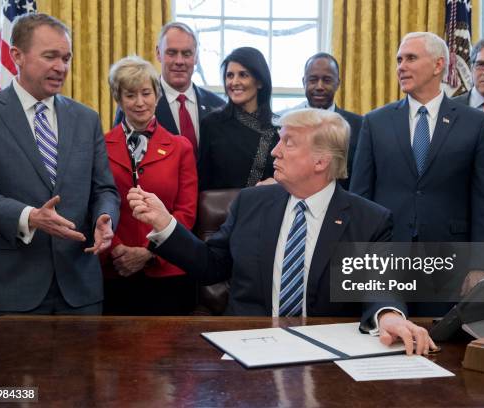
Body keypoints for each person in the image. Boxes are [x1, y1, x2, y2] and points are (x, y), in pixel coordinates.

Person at [129, 108, 438, 355]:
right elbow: (211, 266)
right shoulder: (249, 203)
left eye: (288, 142)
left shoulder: (369, 220)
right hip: (247, 346)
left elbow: (379, 286)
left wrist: (389, 316)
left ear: (321, 161)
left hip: (327, 353)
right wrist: (165, 224)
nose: (275, 151)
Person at [0, 13, 120, 315]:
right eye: (50, 56)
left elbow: (105, 189)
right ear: (17, 56)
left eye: (66, 58)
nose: (61, 67)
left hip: (81, 289)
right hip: (9, 290)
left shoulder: (86, 118)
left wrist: (105, 217)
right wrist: (30, 217)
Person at [350, 32, 484, 299]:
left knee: (444, 339)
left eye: (411, 58)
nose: (401, 67)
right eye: (399, 60)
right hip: (386, 258)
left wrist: (482, 264)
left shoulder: (474, 123)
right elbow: (360, 197)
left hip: (450, 260)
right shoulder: (375, 122)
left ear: (438, 65)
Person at [102, 56, 198, 315]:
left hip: (168, 270)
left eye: (146, 93)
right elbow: (95, 203)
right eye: (130, 95)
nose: (140, 102)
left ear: (157, 95)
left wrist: (150, 252)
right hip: (115, 270)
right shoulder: (98, 145)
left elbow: (186, 213)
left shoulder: (181, 147)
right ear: (119, 99)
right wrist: (118, 250)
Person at [114, 22, 225, 153]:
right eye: (171, 53)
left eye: (187, 54)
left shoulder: (218, 106)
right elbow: (121, 155)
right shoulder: (137, 105)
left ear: (196, 57)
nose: (179, 61)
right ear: (158, 53)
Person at [198, 47, 279, 191]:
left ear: (260, 82)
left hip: (266, 210)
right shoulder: (211, 125)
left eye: (243, 75)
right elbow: (201, 182)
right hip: (220, 211)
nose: (234, 82)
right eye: (229, 75)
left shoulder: (278, 128)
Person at [283, 53, 363, 189]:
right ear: (304, 82)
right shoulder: (286, 125)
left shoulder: (360, 126)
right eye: (313, 80)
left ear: (338, 83)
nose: (319, 86)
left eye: (327, 80)